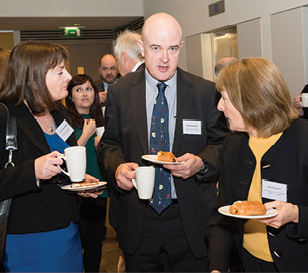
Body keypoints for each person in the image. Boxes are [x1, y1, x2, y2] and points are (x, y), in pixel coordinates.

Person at [97, 12, 227, 272]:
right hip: (138, 218)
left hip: (190, 219)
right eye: (156, 48)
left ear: (181, 47)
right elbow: (109, 145)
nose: (165, 58)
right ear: (142, 48)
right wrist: (118, 167)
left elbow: (223, 144)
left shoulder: (204, 92)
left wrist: (201, 163)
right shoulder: (121, 93)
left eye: (172, 48)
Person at [0, 41, 99, 272]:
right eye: (60, 71)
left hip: (68, 232)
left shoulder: (59, 112)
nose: (69, 76)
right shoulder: (5, 116)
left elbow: (61, 166)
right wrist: (32, 171)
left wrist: (78, 181)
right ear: (34, 76)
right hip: (28, 239)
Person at [207, 57, 308, 272]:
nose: (219, 106)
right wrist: (217, 266)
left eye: (224, 98)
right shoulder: (232, 145)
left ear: (249, 101)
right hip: (248, 264)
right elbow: (222, 215)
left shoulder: (304, 140)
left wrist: (296, 214)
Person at [66, 74, 108, 272]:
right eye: (78, 89)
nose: (84, 94)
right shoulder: (64, 122)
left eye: (89, 89)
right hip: (74, 191)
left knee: (94, 243)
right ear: (70, 96)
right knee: (74, 243)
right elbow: (64, 157)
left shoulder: (103, 120)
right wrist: (85, 135)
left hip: (98, 188)